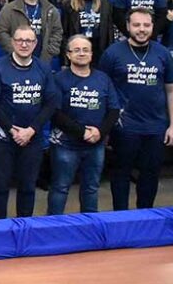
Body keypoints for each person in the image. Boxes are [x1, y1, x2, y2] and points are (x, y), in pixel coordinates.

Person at [99, 7, 173, 210]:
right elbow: (101, 90)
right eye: (136, 25)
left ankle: (145, 217)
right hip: (124, 128)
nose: (142, 29)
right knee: (120, 176)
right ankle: (121, 218)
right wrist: (104, 128)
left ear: (153, 27)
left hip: (155, 128)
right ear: (127, 26)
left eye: (146, 25)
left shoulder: (162, 53)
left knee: (150, 176)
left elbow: (172, 91)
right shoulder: (112, 53)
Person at [0, 25, 60, 219]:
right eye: (19, 40)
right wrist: (12, 130)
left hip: (32, 138)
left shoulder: (43, 67)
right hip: (2, 137)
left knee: (28, 187)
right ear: (12, 42)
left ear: (35, 44)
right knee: (1, 186)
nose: (24, 44)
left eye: (29, 41)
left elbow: (51, 101)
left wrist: (31, 130)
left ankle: (25, 227)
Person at [48, 35, 121, 215]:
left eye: (85, 50)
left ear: (92, 54)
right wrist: (82, 132)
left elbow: (113, 110)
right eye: (77, 50)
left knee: (91, 188)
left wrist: (100, 132)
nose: (82, 53)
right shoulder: (58, 79)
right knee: (60, 188)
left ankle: (89, 227)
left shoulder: (103, 79)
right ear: (68, 55)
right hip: (65, 145)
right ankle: (52, 227)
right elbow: (55, 113)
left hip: (96, 145)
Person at [0, 0, 64, 65]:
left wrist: (49, 53)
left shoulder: (51, 10)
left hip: (43, 62)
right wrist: (15, 50)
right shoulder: (9, 9)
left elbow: (57, 33)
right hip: (15, 62)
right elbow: (1, 32)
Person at [62, 0, 115, 65]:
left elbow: (109, 32)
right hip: (78, 50)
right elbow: (65, 33)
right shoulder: (69, 5)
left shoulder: (105, 3)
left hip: (99, 50)